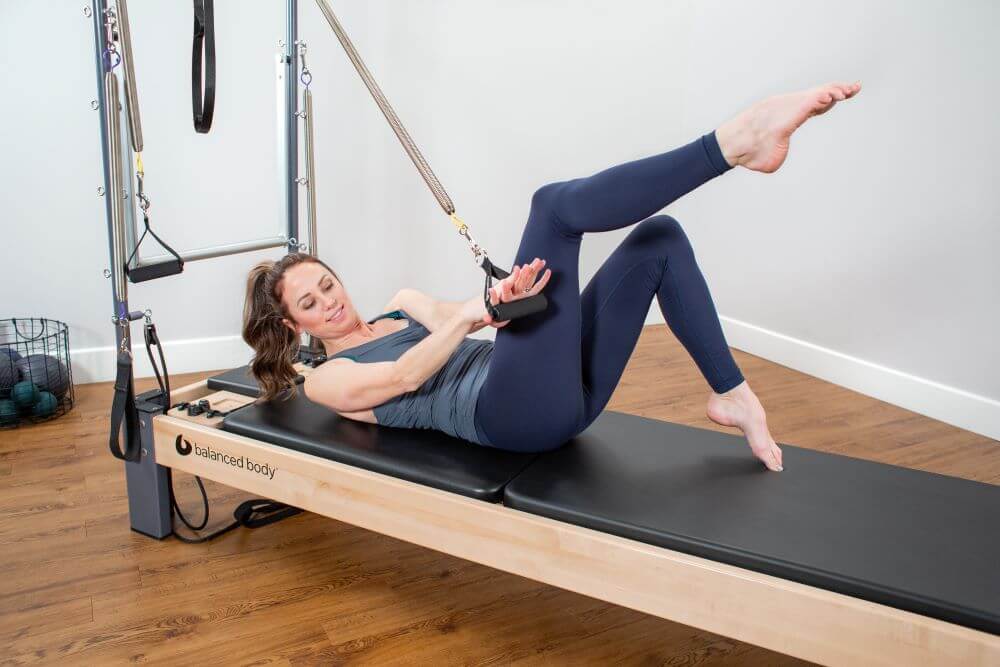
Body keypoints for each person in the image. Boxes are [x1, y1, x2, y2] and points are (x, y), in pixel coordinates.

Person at [243, 81, 862, 472]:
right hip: (510, 417)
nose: (329, 300)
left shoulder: (402, 304)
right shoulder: (327, 381)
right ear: (293, 325)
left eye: (327, 284)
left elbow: (469, 314)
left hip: (558, 389)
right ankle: (735, 142)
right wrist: (470, 315)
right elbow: (407, 373)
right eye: (309, 301)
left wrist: (504, 301)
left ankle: (730, 394)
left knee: (659, 241)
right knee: (554, 208)